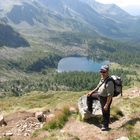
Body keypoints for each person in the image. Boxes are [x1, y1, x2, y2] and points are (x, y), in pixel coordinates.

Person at [86, 65, 114, 131]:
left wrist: (107, 105)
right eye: (101, 71)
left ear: (107, 72)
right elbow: (98, 87)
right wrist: (91, 92)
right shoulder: (102, 78)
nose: (102, 73)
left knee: (105, 112)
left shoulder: (110, 82)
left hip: (105, 98)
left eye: (104, 71)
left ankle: (105, 126)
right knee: (89, 96)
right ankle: (90, 110)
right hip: (99, 95)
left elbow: (110, 95)